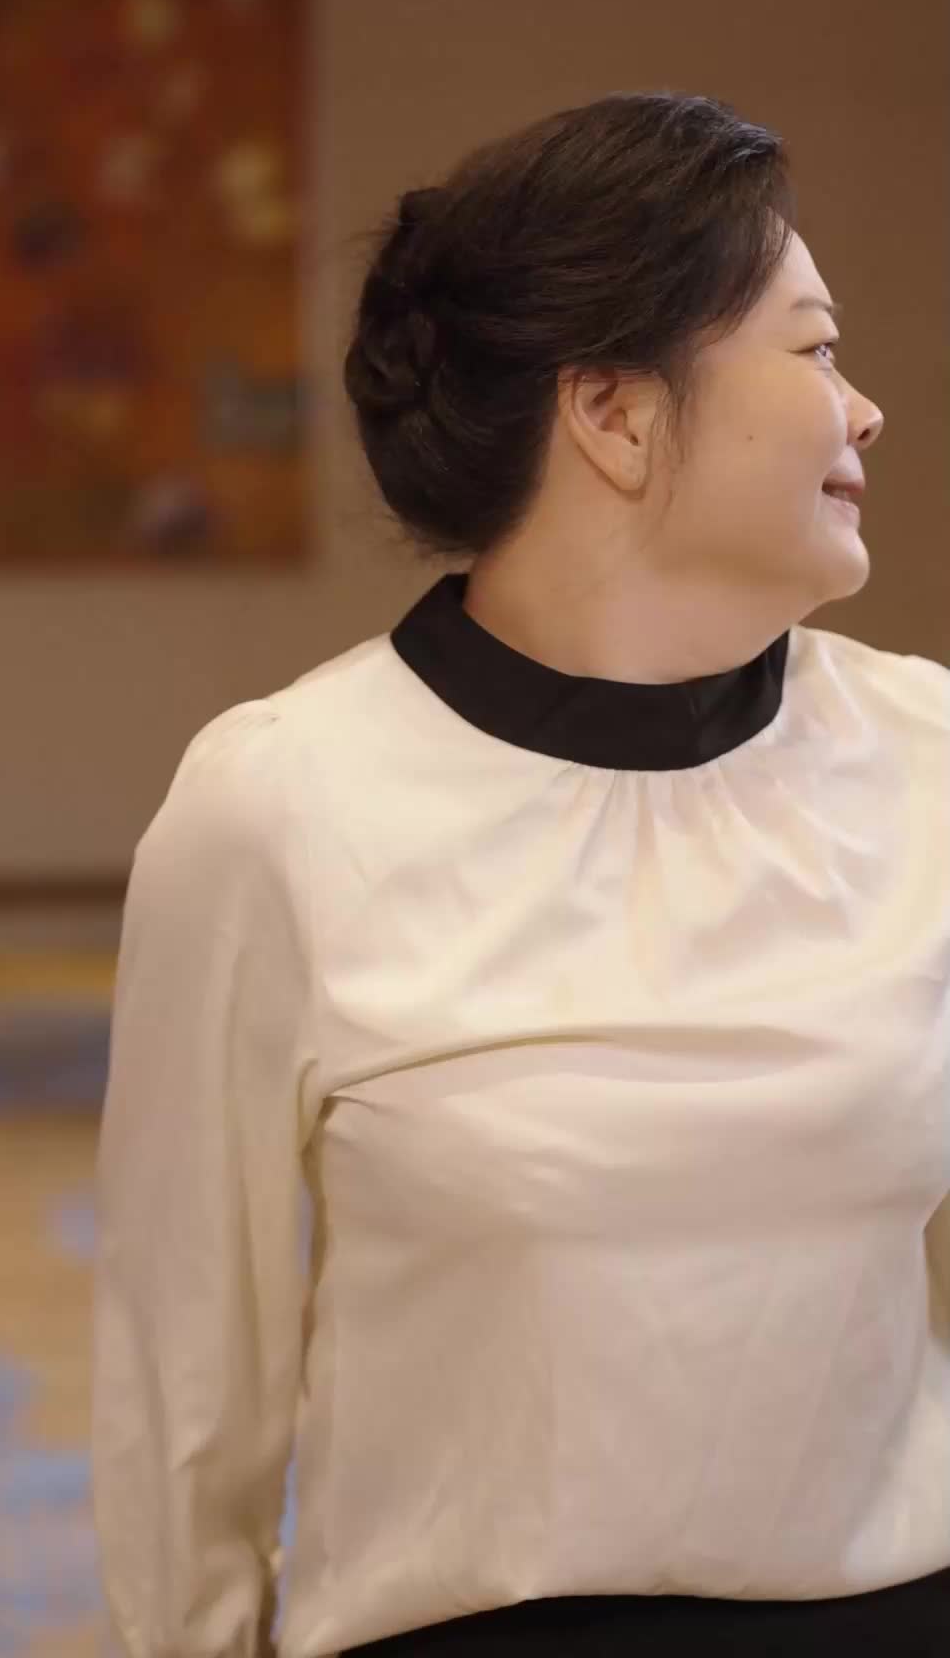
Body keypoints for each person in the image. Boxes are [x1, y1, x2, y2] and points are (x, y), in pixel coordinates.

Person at [92, 92, 950, 1657]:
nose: (866, 410)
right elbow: (183, 1383)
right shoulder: (278, 802)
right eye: (816, 350)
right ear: (613, 413)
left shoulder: (928, 758)